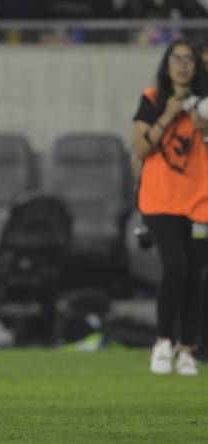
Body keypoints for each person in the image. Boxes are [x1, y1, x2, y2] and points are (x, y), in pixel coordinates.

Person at [133, 38, 208, 377]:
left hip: (199, 201)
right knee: (175, 268)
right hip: (160, 199)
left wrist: (201, 123)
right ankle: (163, 341)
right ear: (167, 65)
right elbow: (141, 148)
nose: (182, 65)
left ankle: (188, 350)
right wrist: (169, 114)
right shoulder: (151, 99)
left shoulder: (204, 106)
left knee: (194, 275)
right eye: (176, 59)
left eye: (188, 59)